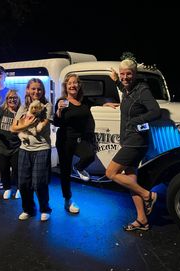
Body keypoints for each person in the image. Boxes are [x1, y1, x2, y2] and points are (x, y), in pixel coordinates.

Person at [105, 54, 161, 231]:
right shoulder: (127, 89)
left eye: (128, 74)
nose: (125, 77)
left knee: (111, 173)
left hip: (136, 141)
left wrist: (137, 120)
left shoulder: (142, 89)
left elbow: (155, 111)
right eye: (122, 74)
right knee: (130, 181)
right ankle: (142, 220)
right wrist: (116, 84)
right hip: (129, 139)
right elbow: (125, 90)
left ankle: (148, 195)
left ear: (134, 74)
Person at [53, 74, 96, 214]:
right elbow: (57, 123)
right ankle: (67, 200)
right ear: (66, 86)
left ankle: (78, 167)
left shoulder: (84, 102)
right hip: (65, 140)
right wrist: (59, 111)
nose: (72, 85)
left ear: (79, 85)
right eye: (70, 83)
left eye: (75, 83)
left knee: (89, 155)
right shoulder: (63, 101)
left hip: (80, 139)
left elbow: (93, 111)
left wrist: (107, 104)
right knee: (65, 172)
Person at [11, 78, 53, 222]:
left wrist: (26, 124)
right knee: (23, 182)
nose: (36, 91)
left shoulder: (47, 106)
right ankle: (28, 209)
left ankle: (45, 208)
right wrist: (26, 125)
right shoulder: (22, 107)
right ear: (28, 90)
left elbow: (40, 126)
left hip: (41, 147)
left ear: (43, 91)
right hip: (24, 147)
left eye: (39, 89)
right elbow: (13, 128)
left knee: (39, 182)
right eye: (33, 88)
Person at [0, 89, 21, 200]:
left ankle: (18, 188)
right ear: (6, 100)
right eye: (10, 98)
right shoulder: (0, 110)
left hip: (17, 146)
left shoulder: (21, 112)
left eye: (15, 98)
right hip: (1, 146)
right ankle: (7, 188)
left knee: (17, 169)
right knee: (3, 168)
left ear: (18, 99)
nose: (12, 100)